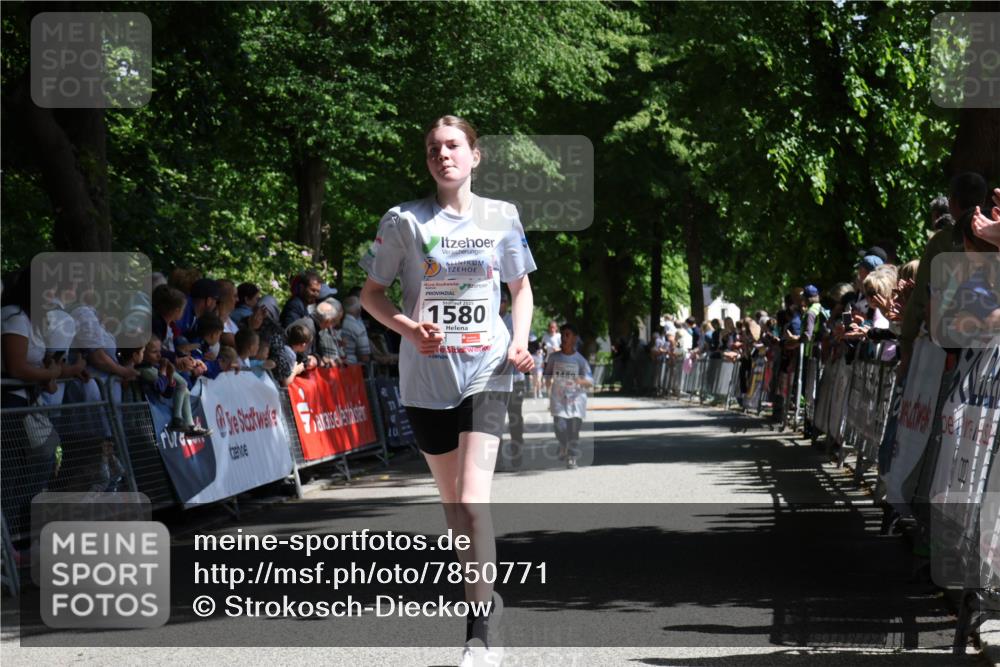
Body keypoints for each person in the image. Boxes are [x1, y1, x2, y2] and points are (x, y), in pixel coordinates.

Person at [360, 114, 535, 666]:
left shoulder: (502, 217)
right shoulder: (403, 221)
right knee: (452, 508)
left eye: (454, 145)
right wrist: (410, 328)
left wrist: (520, 342)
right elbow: (370, 295)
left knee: (473, 501)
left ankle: (479, 634)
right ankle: (487, 601)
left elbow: (521, 289)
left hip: (486, 369)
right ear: (427, 159)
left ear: (474, 155)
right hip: (426, 378)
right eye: (434, 148)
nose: (444, 155)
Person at [137, 335, 209, 436]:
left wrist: (170, 377)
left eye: (159, 351)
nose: (159, 355)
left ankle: (189, 425)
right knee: (183, 384)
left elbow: (168, 392)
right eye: (154, 352)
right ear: (142, 351)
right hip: (144, 420)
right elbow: (161, 388)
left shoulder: (158, 363)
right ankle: (177, 419)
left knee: (185, 388)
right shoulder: (144, 370)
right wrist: (164, 372)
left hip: (159, 369)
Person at [544, 323, 593, 469]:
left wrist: (579, 380)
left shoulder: (580, 360)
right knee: (560, 429)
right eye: (563, 334)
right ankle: (563, 445)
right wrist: (548, 393)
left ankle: (572, 457)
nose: (564, 338)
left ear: (574, 338)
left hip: (576, 401)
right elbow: (547, 376)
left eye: (567, 335)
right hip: (558, 400)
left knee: (573, 431)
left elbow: (590, 382)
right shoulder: (554, 358)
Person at [498, 291, 526, 468]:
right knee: (494, 421)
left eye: (503, 301)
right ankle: (496, 460)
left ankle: (517, 455)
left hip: (515, 378)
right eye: (498, 300)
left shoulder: (514, 320)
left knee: (515, 419)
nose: (500, 303)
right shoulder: (488, 319)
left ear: (507, 303)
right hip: (495, 379)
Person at [340, 296, 372, 365]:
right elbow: (365, 356)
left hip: (338, 364)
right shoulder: (357, 327)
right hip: (352, 367)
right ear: (359, 310)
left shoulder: (338, 323)